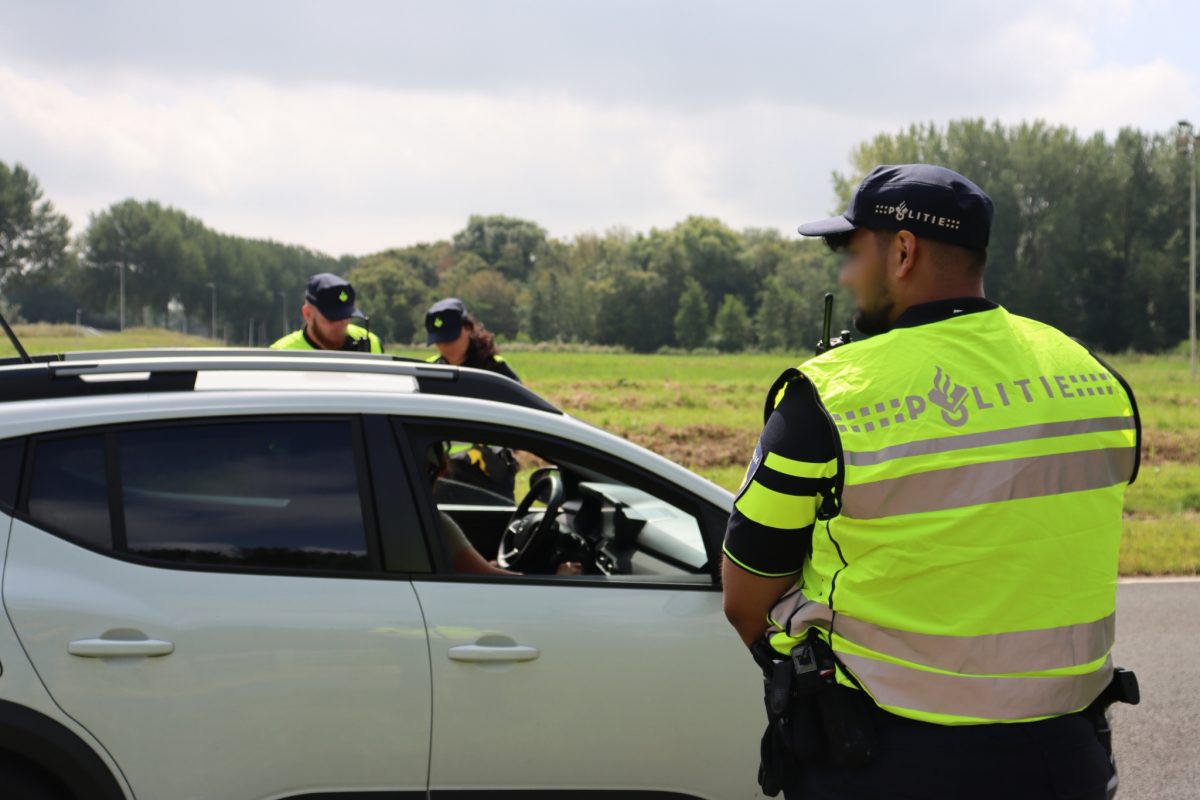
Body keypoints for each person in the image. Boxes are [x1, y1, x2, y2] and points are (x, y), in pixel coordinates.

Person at [721, 164, 1140, 800]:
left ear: (902, 250)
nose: (844, 273)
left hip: (884, 759)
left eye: (850, 252)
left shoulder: (829, 397)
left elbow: (745, 598)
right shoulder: (1092, 375)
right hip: (1066, 759)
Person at [271, 273, 382, 353]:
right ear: (308, 314)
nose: (342, 324)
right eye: (333, 318)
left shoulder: (372, 343)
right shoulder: (281, 353)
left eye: (346, 316)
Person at [423, 297, 519, 382]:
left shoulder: (495, 369)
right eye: (439, 340)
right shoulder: (430, 369)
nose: (445, 345)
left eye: (450, 338)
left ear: (468, 328)